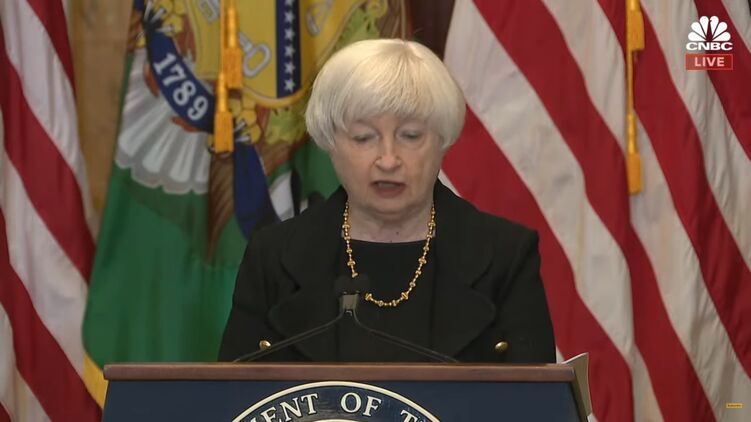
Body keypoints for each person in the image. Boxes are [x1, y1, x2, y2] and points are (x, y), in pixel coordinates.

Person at [218, 39, 555, 363]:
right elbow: (237, 396)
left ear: (443, 140)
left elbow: (533, 396)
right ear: (329, 143)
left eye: (410, 136)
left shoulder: (505, 257)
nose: (389, 160)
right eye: (364, 138)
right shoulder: (273, 256)